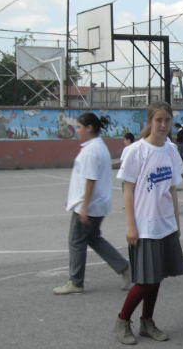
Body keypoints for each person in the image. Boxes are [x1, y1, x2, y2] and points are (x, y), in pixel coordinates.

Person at [113, 101, 183, 345]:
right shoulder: (137, 150)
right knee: (146, 280)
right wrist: (130, 225)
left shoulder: (171, 150)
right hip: (144, 225)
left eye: (167, 120)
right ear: (149, 122)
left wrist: (176, 223)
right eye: (159, 120)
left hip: (165, 224)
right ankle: (122, 321)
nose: (163, 125)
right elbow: (127, 189)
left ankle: (147, 322)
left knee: (158, 277)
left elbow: (172, 190)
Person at [54, 113, 131, 295]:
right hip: (95, 204)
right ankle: (124, 267)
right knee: (93, 238)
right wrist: (74, 197)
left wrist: (83, 207)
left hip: (89, 206)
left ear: (89, 128)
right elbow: (84, 179)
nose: (77, 130)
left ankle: (76, 282)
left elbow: (90, 179)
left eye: (79, 127)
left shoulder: (91, 150)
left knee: (76, 241)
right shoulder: (97, 146)